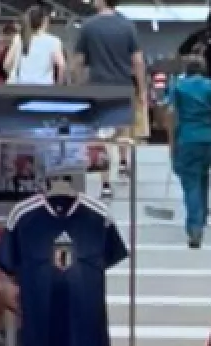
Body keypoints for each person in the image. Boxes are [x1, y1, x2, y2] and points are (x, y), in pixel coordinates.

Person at [73, 0, 149, 201]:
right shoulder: (127, 26)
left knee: (101, 136)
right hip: (123, 85)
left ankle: (105, 184)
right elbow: (138, 61)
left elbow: (78, 61)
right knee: (122, 128)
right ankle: (123, 163)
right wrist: (142, 90)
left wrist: (77, 85)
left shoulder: (88, 26)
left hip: (97, 87)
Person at [163, 56, 211, 248]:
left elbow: (170, 112)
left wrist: (171, 140)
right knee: (203, 173)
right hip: (210, 139)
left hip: (187, 138)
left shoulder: (178, 86)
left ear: (186, 70)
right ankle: (202, 214)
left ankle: (195, 227)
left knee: (190, 181)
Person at [5, 7, 65, 85]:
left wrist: (13, 75)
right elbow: (61, 65)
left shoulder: (19, 38)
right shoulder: (54, 41)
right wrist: (59, 85)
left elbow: (7, 64)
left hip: (18, 85)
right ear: (45, 21)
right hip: (42, 86)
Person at [179, 6, 211, 85]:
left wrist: (194, 53)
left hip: (205, 72)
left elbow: (182, 50)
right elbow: (182, 50)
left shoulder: (200, 35)